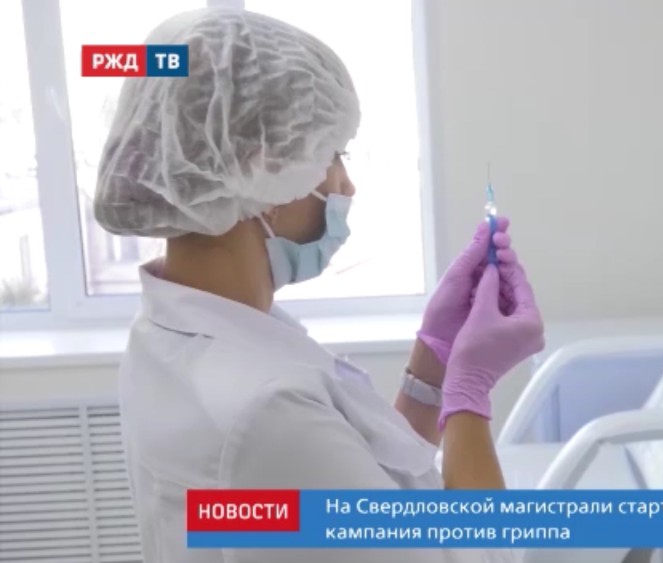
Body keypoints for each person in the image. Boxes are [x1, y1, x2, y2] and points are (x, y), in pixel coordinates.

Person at [93, 7, 544, 563]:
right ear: (262, 171)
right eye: (332, 155)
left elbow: (370, 491)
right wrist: (470, 397)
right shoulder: (266, 410)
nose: (345, 184)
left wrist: (433, 368)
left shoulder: (173, 336)